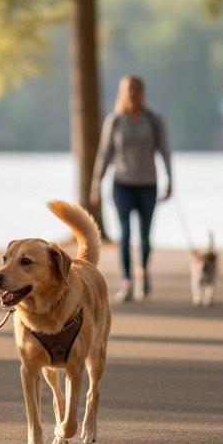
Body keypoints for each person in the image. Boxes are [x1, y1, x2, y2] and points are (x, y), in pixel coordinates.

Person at [89, 75, 172, 303]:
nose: (132, 93)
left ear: (142, 92)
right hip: (122, 185)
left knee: (145, 237)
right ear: (122, 92)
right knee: (125, 234)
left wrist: (170, 179)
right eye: (128, 89)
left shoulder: (153, 120)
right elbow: (104, 154)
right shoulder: (115, 120)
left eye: (136, 89)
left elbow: (165, 150)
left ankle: (142, 272)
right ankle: (127, 281)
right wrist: (96, 184)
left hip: (148, 185)